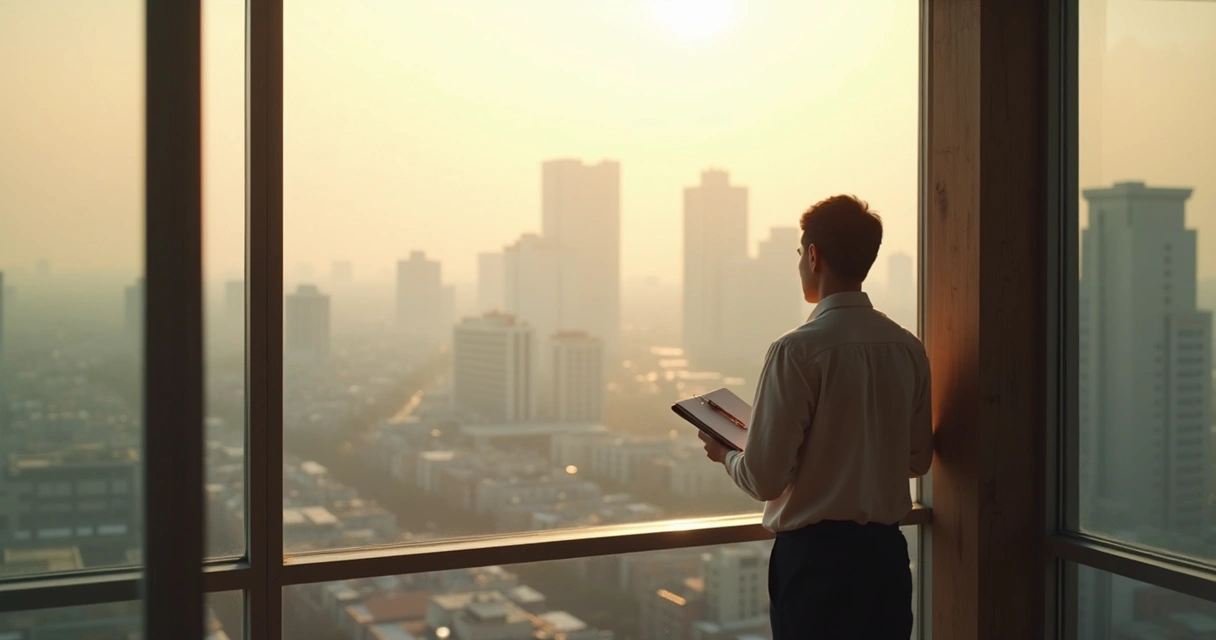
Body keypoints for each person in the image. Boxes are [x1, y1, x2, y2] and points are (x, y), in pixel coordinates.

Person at [698, 194, 933, 640]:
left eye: (798, 255)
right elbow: (917, 460)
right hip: (885, 560)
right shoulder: (907, 347)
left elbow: (764, 478)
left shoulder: (796, 350)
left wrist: (726, 453)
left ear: (813, 255)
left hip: (815, 567)